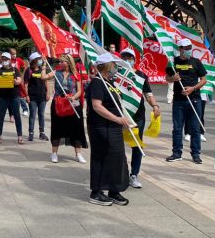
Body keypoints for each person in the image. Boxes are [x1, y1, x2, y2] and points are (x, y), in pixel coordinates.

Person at [87, 53, 133, 206]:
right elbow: (97, 106)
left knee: (117, 158)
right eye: (114, 64)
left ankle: (114, 189)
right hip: (101, 127)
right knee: (102, 157)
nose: (116, 67)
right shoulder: (97, 82)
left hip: (114, 128)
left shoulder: (109, 82)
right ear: (106, 66)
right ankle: (97, 191)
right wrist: (117, 119)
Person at [118, 49, 159, 188]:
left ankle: (134, 175)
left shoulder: (141, 76)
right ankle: (120, 172)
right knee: (118, 145)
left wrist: (155, 105)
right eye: (124, 57)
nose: (127, 59)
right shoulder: (116, 74)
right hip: (120, 116)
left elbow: (148, 94)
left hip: (138, 116)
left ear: (134, 59)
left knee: (137, 145)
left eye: (130, 57)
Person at [165, 38, 207, 164]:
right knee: (177, 128)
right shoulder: (173, 62)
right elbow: (167, 78)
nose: (188, 50)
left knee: (195, 128)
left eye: (190, 48)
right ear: (180, 49)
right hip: (178, 100)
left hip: (194, 99)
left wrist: (193, 88)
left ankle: (196, 154)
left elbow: (204, 80)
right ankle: (176, 153)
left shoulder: (196, 62)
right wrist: (173, 78)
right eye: (186, 48)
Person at [50, 54, 88, 163]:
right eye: (59, 62)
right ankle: (54, 153)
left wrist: (73, 97)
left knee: (77, 128)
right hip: (59, 103)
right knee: (57, 128)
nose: (60, 64)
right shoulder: (56, 73)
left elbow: (80, 90)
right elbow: (44, 77)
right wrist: (44, 64)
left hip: (73, 104)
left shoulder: (75, 74)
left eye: (62, 62)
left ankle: (78, 153)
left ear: (68, 62)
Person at [0, 51, 24, 144]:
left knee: (17, 116)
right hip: (3, 97)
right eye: (3, 59)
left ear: (10, 60)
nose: (4, 60)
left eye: (6, 59)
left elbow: (19, 80)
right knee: (1, 116)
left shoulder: (15, 70)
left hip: (14, 96)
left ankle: (20, 136)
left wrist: (16, 81)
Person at [24, 52, 52, 141]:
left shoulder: (42, 69)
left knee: (41, 115)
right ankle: (31, 133)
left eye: (40, 59)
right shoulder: (29, 70)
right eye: (38, 59)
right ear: (34, 61)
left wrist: (48, 93)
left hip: (42, 96)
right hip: (32, 97)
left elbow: (46, 81)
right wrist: (26, 95)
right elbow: (25, 84)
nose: (40, 60)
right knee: (32, 115)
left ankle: (42, 133)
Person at [9, 48, 29, 116]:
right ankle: (12, 111)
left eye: (15, 54)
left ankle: (25, 109)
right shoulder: (8, 61)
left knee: (21, 95)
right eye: (12, 54)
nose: (14, 55)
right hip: (10, 81)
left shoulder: (19, 60)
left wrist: (22, 76)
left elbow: (25, 67)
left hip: (19, 80)